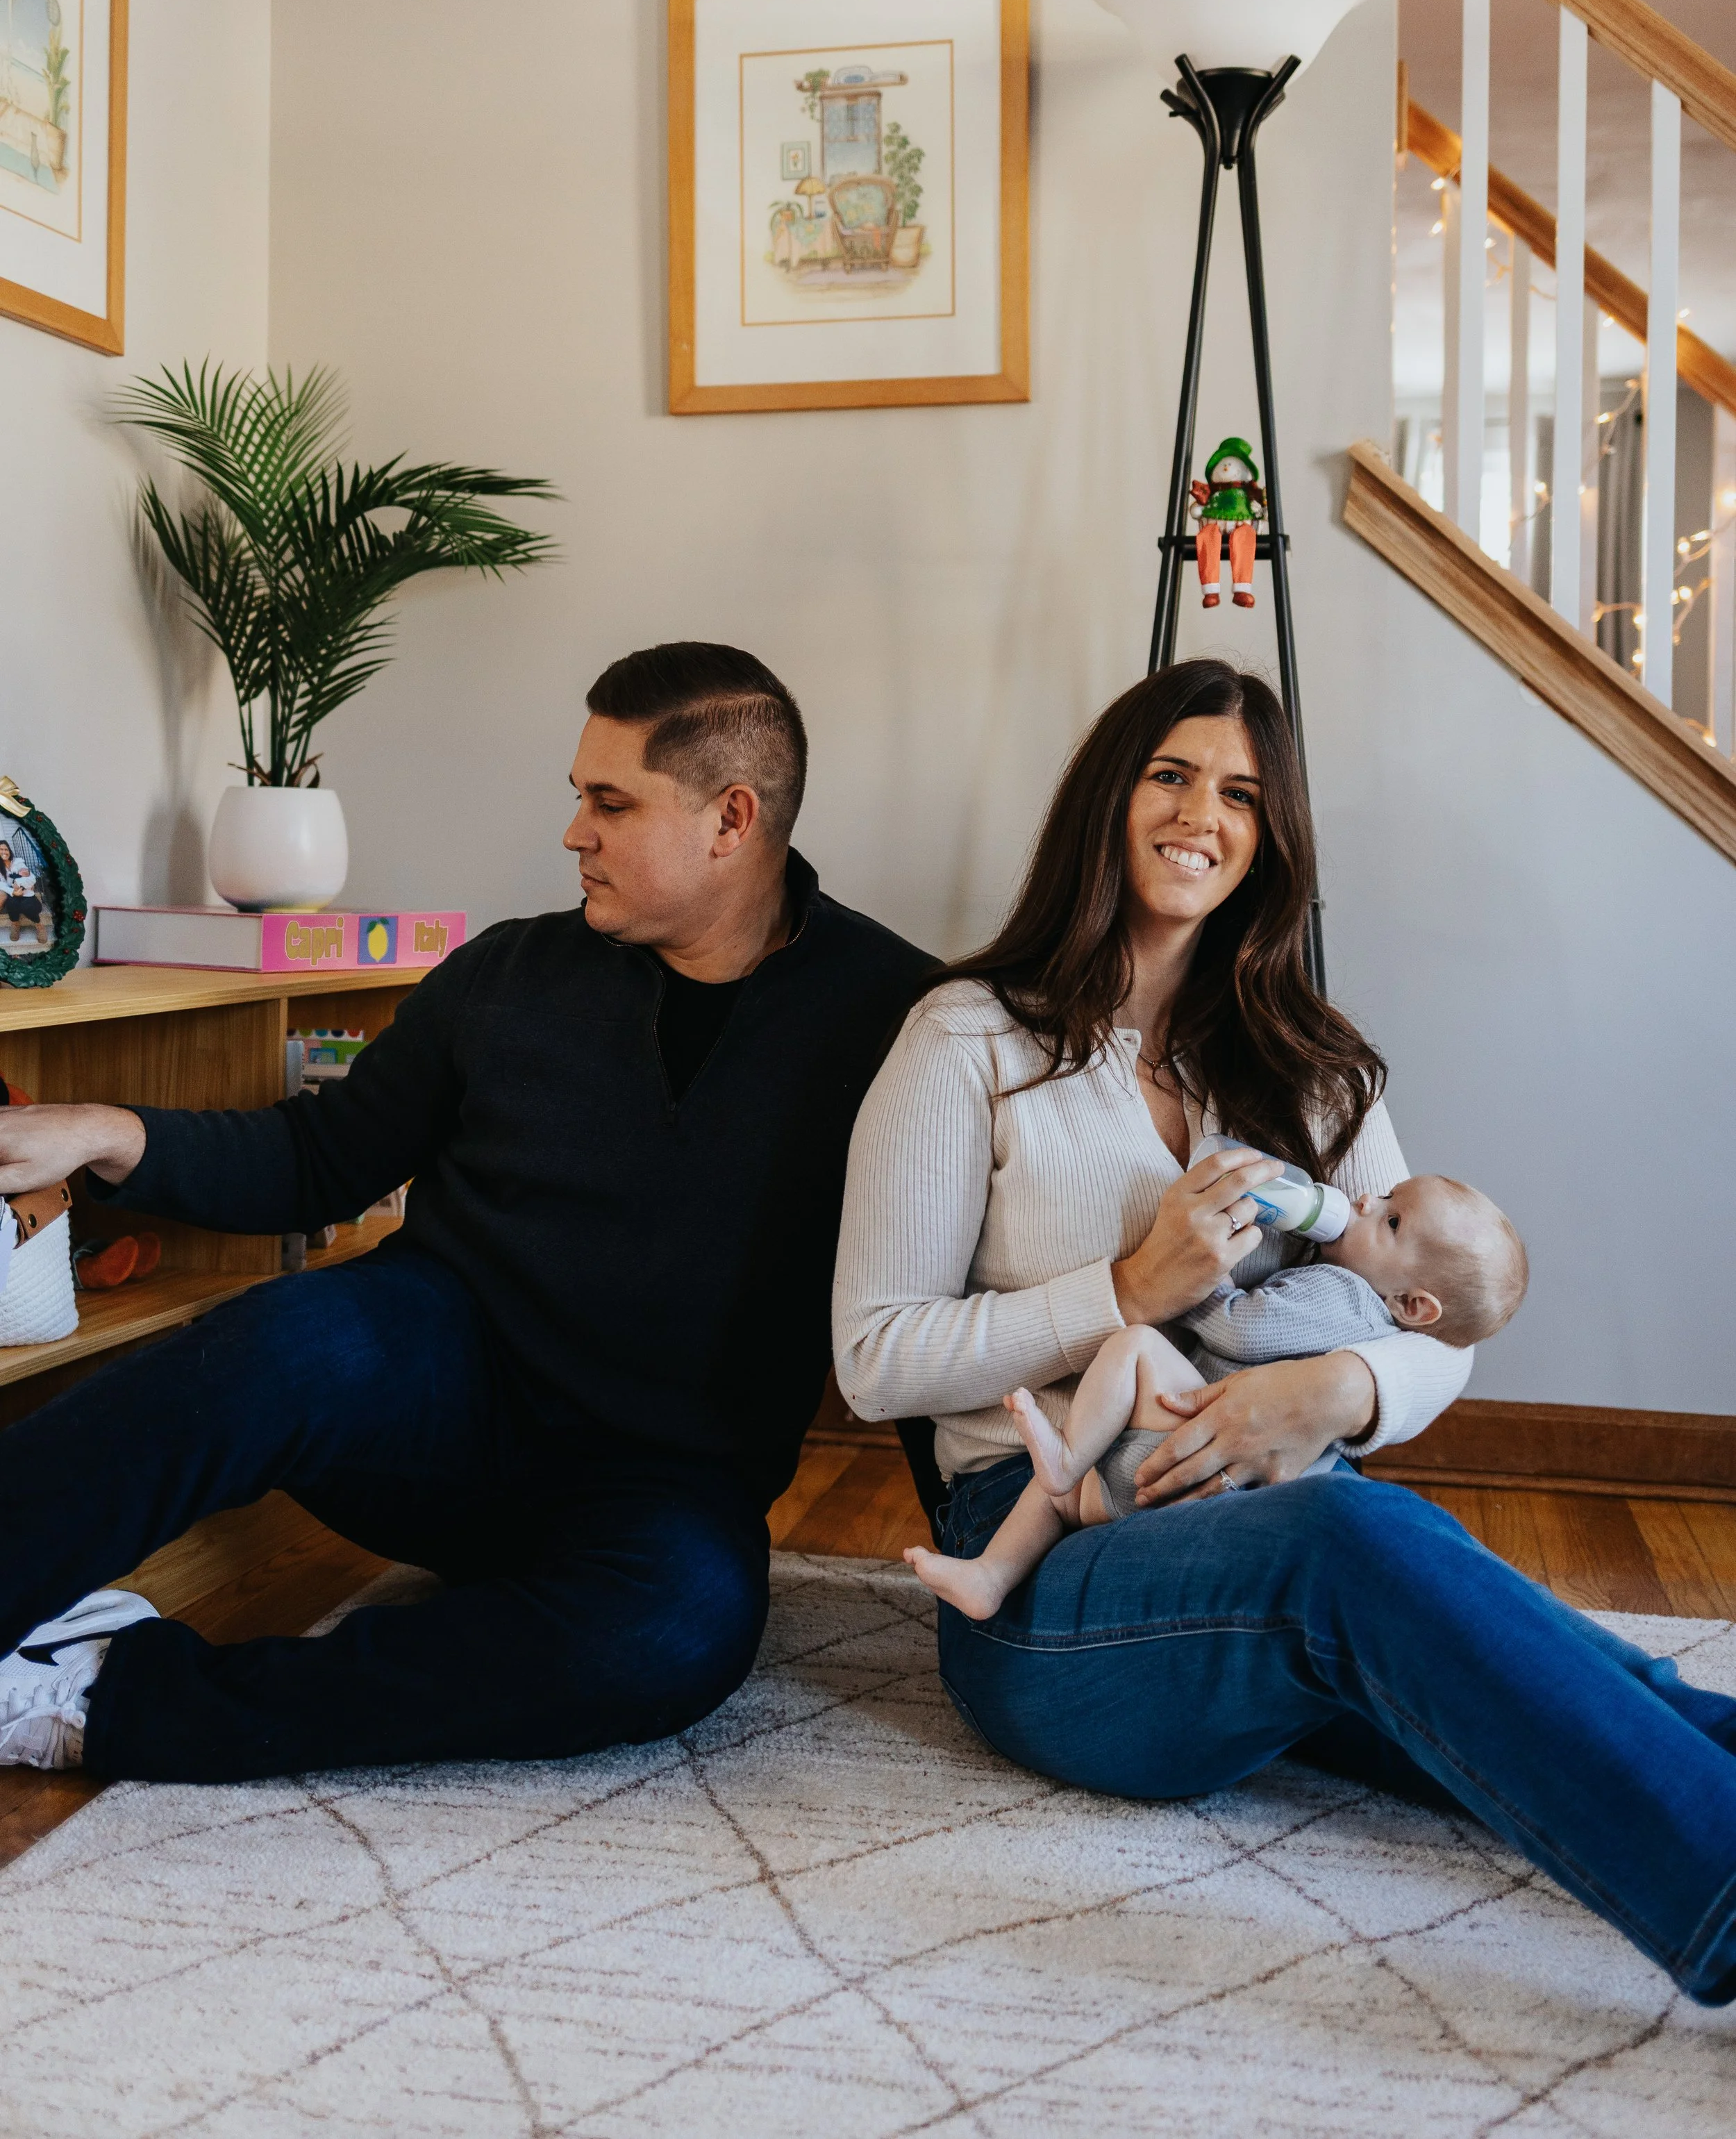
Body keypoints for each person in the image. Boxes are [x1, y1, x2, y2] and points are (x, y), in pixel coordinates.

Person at [834, 657, 1736, 2005]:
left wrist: (1332, 1393)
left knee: (1521, 1655)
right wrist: (1124, 1295)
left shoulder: (1304, 1060)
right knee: (1361, 1547)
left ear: (1270, 840)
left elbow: (1438, 1326)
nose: (1202, 812)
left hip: (1269, 1522)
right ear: (1107, 795)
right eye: (1171, 774)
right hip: (1046, 1565)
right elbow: (873, 1360)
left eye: (1241, 794)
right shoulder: (967, 1039)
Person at [0, 643, 933, 1781]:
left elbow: (936, 1297)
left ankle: (105, 1697)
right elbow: (318, 1158)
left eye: (610, 802)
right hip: (430, 1401)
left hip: (658, 1484)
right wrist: (108, 1132)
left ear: (730, 820)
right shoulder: (507, 975)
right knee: (280, 1342)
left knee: (675, 1636)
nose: (573, 832)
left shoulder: (901, 1023)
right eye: (577, 797)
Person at [908, 1171, 1528, 1620]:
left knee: (1135, 1349)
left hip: (1184, 1443)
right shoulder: (1378, 1305)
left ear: (1415, 1306)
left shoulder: (1344, 1295)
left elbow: (1244, 1326)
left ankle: (1044, 1495)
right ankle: (991, 1574)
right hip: (1214, 1481)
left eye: (1390, 1218)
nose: (1366, 1197)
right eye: (1388, 1194)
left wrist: (1200, 1276)